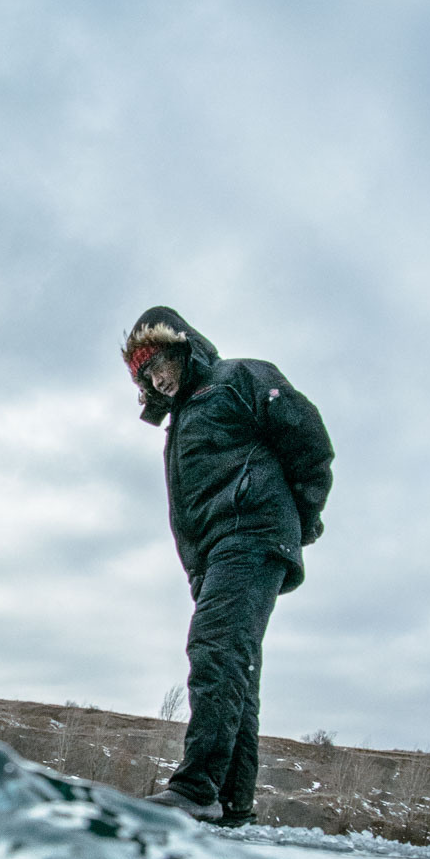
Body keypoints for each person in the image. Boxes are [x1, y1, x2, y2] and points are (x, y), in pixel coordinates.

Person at [121, 308, 333, 825]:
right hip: (218, 552)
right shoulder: (181, 420)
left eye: (162, 363)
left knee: (214, 647)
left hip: (251, 533)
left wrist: (297, 518)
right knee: (237, 663)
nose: (157, 378)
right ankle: (232, 802)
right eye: (146, 375)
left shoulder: (237, 378)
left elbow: (310, 443)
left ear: (183, 348)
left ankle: (197, 788)